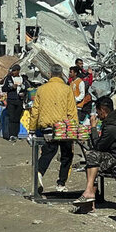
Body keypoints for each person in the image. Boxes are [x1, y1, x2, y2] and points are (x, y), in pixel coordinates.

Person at [29, 64, 78, 192]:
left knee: (49, 152)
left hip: (47, 128)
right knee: (67, 155)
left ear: (50, 74)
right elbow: (72, 112)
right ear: (61, 75)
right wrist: (75, 129)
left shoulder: (41, 89)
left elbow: (35, 111)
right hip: (64, 128)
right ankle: (61, 184)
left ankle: (39, 172)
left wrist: (31, 130)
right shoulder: (67, 89)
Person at [0, 65, 25, 141]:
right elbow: (4, 88)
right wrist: (11, 87)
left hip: (19, 101)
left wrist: (24, 93)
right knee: (11, 118)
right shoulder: (8, 79)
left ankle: (16, 134)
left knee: (17, 119)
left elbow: (27, 88)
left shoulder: (23, 79)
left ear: (18, 71)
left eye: (14, 71)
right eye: (12, 71)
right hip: (11, 101)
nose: (13, 72)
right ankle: (11, 135)